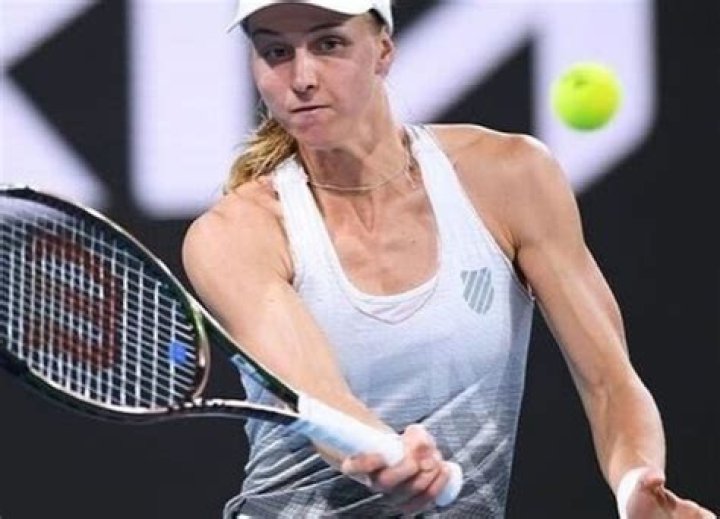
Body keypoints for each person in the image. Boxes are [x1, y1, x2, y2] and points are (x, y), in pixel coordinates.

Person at [181, 1, 716, 517]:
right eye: (275, 52)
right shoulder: (234, 235)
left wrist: (633, 485)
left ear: (384, 50)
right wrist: (383, 457)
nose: (302, 78)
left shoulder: (510, 177)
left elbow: (609, 382)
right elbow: (321, 398)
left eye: (328, 44)